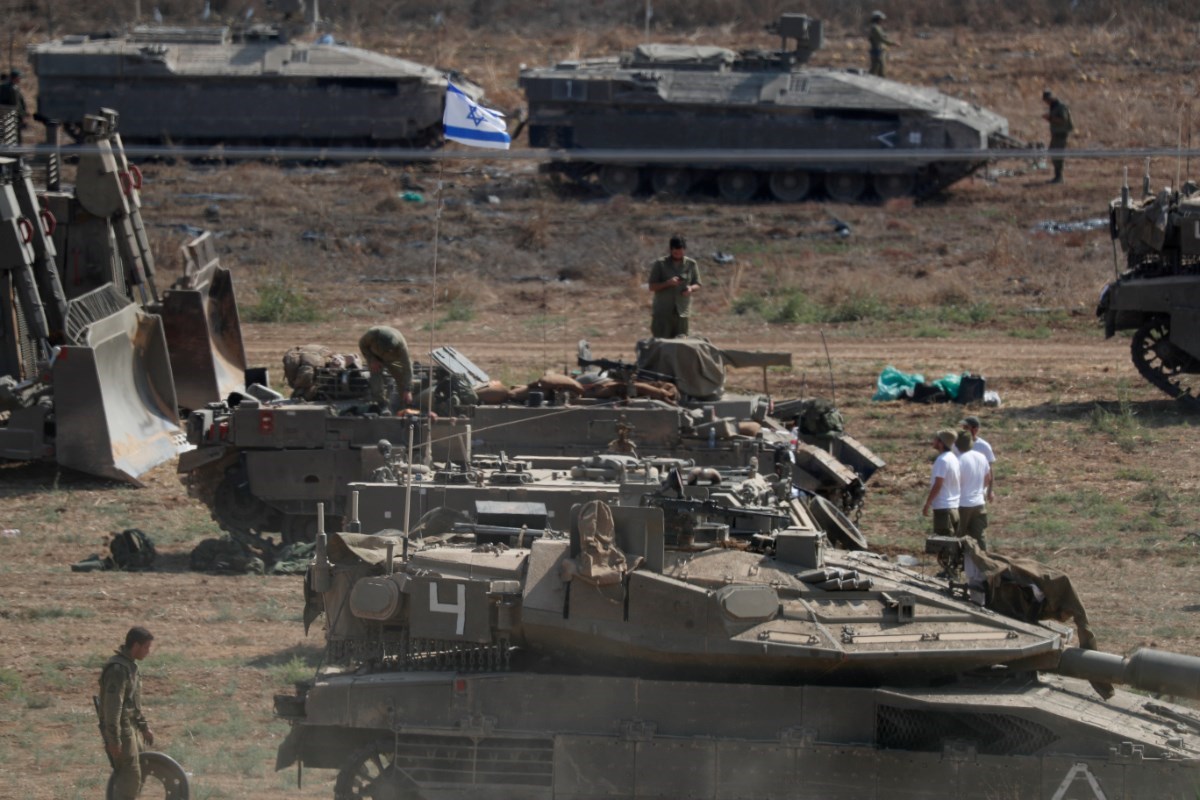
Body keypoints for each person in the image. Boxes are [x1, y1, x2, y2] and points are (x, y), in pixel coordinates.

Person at [99, 626, 156, 800]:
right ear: (136, 645)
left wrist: (144, 727)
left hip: (131, 728)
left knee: (139, 771)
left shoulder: (130, 666)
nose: (148, 651)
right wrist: (114, 740)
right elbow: (112, 708)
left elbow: (132, 704)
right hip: (122, 731)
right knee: (130, 777)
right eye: (146, 647)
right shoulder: (118, 670)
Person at [647, 234, 701, 339]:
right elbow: (651, 287)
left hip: (682, 312)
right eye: (676, 252)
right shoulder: (660, 264)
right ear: (671, 250)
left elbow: (698, 284)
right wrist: (667, 283)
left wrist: (690, 289)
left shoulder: (691, 264)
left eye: (681, 252)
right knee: (661, 343)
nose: (678, 255)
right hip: (663, 312)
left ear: (684, 250)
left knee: (681, 343)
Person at [358, 325, 413, 408]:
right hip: (374, 355)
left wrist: (408, 389)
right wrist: (372, 359)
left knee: (401, 377)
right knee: (375, 375)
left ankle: (404, 402)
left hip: (392, 359)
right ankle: (379, 401)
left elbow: (407, 368)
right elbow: (362, 345)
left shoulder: (401, 346)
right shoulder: (372, 334)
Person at [955, 430, 991, 549]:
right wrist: (981, 491)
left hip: (962, 504)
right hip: (979, 503)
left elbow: (955, 483)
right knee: (979, 537)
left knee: (958, 537)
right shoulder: (981, 457)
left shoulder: (958, 460)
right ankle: (983, 558)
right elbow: (988, 478)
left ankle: (959, 559)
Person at [922, 429, 960, 535]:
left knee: (943, 541)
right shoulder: (954, 458)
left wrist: (928, 503)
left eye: (936, 439)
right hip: (954, 507)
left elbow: (938, 484)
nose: (933, 441)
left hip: (943, 508)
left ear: (941, 443)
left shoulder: (942, 460)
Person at [959, 415, 996, 502]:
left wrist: (990, 490)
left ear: (975, 430)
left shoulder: (983, 446)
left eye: (966, 427)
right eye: (963, 427)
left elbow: (989, 470)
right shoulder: (957, 445)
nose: (963, 430)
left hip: (979, 489)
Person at [1042, 89, 1073, 184]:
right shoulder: (1054, 106)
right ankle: (1057, 176)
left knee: (1058, 154)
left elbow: (1063, 120)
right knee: (1053, 152)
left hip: (1061, 134)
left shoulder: (1060, 106)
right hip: (1056, 134)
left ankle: (1059, 177)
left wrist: (1050, 118)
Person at [0, 68, 29, 143]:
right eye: (19, 78)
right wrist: (23, 116)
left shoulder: (3, 87)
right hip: (14, 116)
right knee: (15, 137)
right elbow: (17, 104)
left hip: (4, 116)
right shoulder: (13, 88)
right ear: (15, 78)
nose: (20, 80)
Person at [867, 11, 897, 78]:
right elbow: (881, 39)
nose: (882, 21)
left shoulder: (878, 27)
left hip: (880, 52)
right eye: (881, 19)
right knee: (875, 71)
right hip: (877, 52)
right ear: (877, 19)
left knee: (880, 72)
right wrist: (893, 43)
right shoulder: (875, 28)